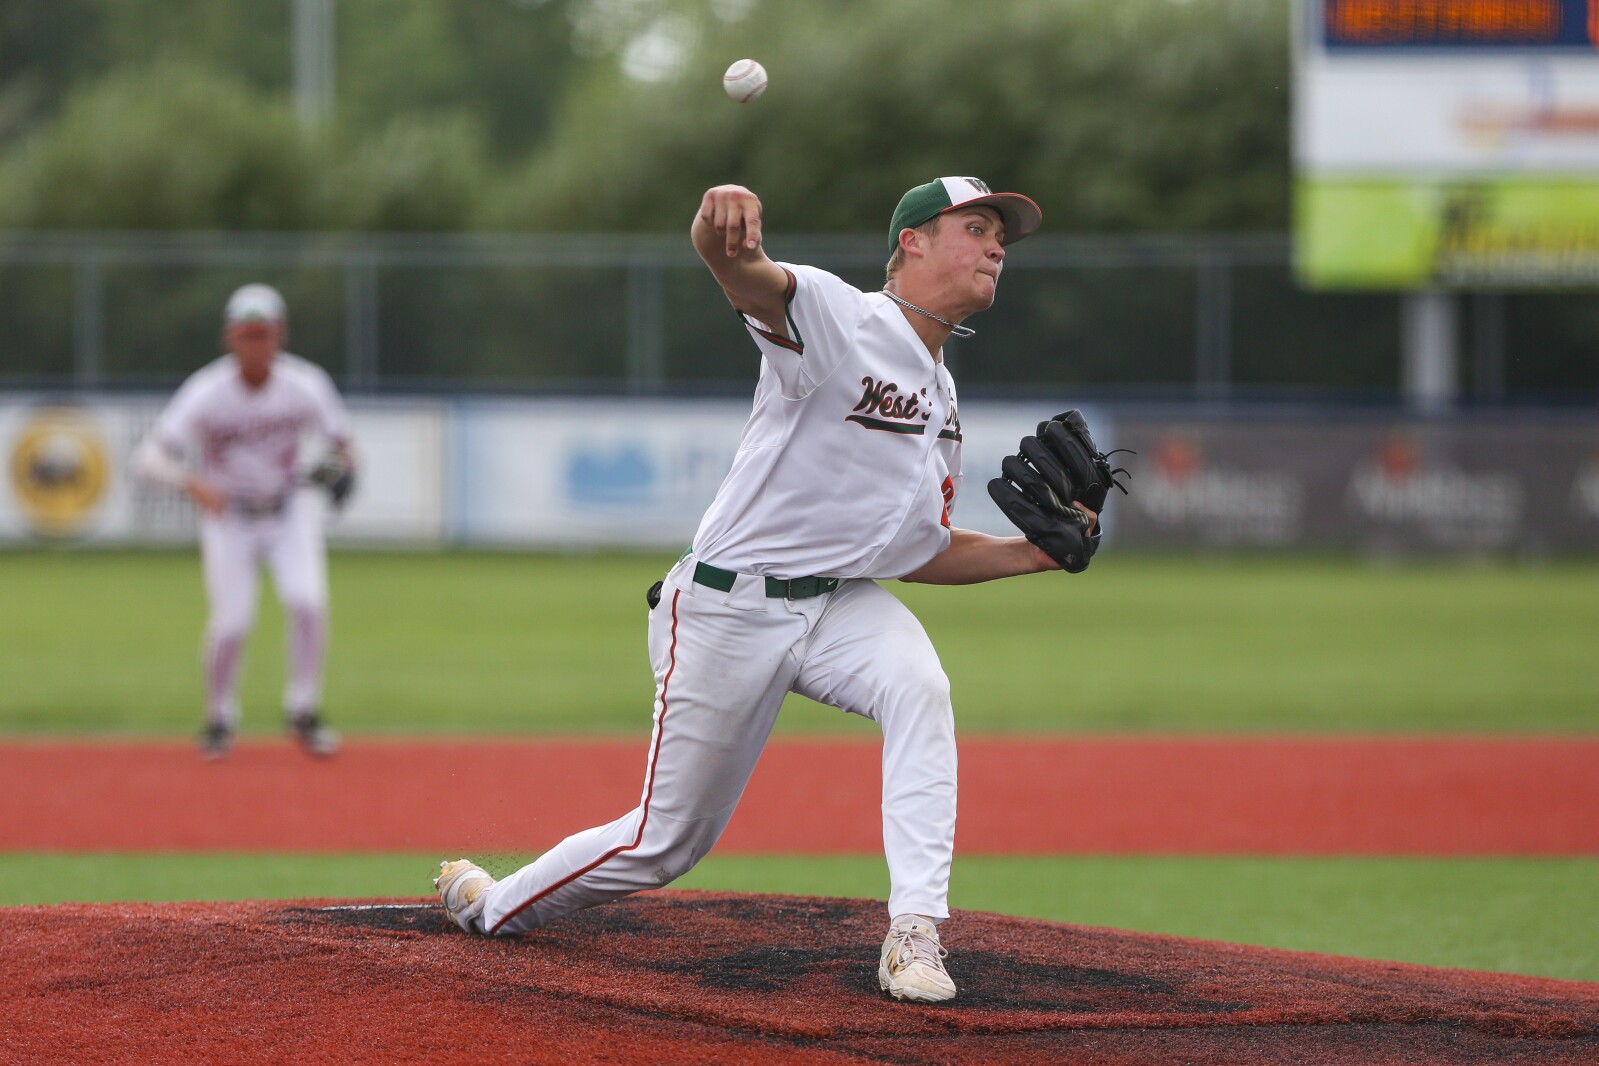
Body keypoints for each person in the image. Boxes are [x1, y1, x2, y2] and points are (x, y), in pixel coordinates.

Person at [435, 177, 1085, 1003]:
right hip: (726, 605)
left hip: (835, 601)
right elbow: (746, 276)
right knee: (664, 844)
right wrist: (720, 232)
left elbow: (910, 549)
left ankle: (914, 932)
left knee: (920, 686)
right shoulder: (839, 318)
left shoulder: (941, 396)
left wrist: (1030, 553)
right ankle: (493, 907)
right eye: (977, 225)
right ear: (910, 242)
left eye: (1002, 235)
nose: (996, 245)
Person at [132, 283, 356, 760]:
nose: (256, 343)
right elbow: (148, 457)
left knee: (309, 604)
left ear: (280, 335)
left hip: (289, 509)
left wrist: (343, 469)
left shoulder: (305, 384)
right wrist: (190, 482)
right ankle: (219, 718)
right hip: (229, 516)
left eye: (264, 333)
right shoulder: (207, 392)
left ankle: (303, 709)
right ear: (229, 337)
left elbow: (343, 443)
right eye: (247, 333)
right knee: (232, 624)